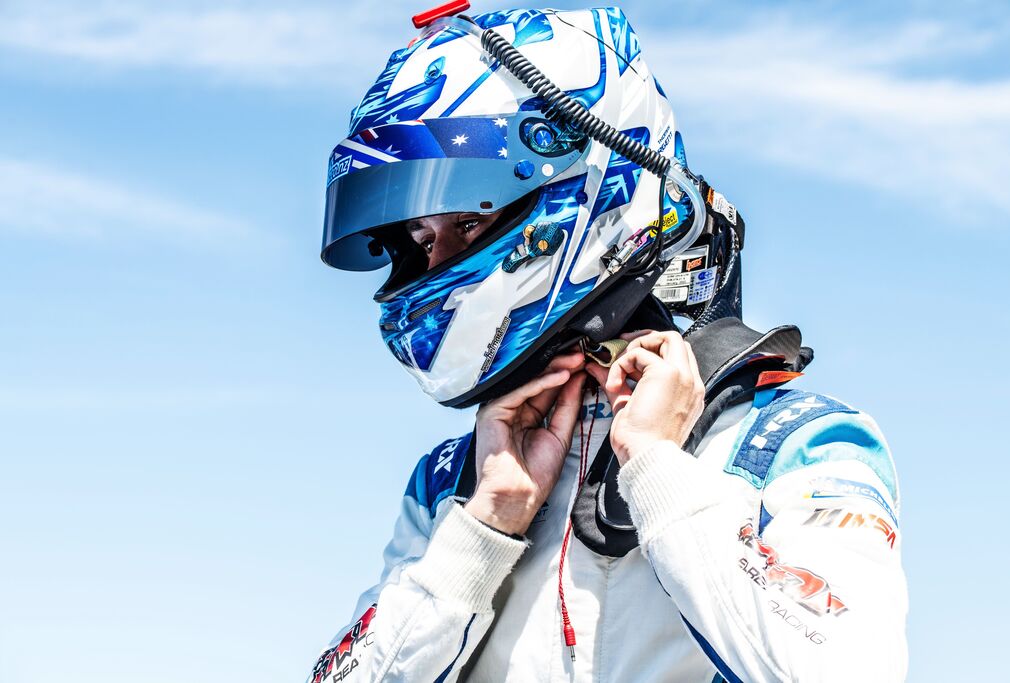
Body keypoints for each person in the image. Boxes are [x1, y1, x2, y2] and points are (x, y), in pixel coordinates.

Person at [310, 6, 908, 682]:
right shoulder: (452, 482)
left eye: (466, 224)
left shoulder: (803, 441)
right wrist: (485, 526)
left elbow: (846, 669)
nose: (438, 258)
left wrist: (655, 467)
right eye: (421, 240)